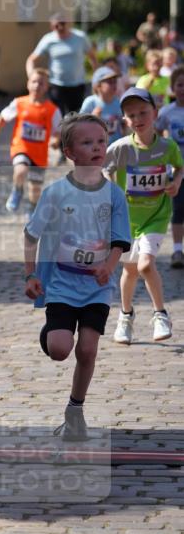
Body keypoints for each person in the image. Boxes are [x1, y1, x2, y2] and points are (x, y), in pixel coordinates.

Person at [24, 114, 131, 441]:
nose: (97, 147)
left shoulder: (114, 195)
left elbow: (120, 241)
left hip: (96, 287)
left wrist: (109, 266)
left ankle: (75, 411)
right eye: (87, 143)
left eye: (101, 141)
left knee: (87, 351)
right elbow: (31, 236)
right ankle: (52, 331)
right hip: (61, 283)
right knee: (59, 349)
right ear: (70, 152)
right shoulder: (56, 193)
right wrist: (30, 275)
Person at [105, 87, 183, 344]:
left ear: (155, 113)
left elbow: (179, 167)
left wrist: (176, 182)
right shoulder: (120, 148)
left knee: (145, 264)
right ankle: (125, 316)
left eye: (143, 113)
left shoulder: (167, 146)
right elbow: (104, 170)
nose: (138, 119)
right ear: (124, 120)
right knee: (129, 270)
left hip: (156, 216)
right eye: (131, 115)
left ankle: (160, 314)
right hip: (126, 220)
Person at [0, 68, 61, 219]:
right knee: (20, 170)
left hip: (39, 155)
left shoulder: (52, 110)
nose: (37, 85)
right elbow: (2, 117)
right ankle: (17, 190)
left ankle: (32, 207)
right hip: (21, 148)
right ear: (28, 84)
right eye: (34, 82)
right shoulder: (20, 103)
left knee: (35, 189)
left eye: (41, 83)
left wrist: (55, 140)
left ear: (47, 87)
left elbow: (58, 130)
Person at [26, 14, 96, 116]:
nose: (59, 27)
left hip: (77, 85)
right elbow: (31, 60)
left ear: (68, 23)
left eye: (62, 23)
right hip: (56, 85)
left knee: (76, 116)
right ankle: (60, 132)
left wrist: (96, 78)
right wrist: (32, 76)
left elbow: (92, 57)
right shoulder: (48, 40)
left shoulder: (80, 37)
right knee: (57, 116)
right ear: (51, 26)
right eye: (56, 25)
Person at [156, 66, 184, 267]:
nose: (183, 88)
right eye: (180, 85)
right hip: (176, 170)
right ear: (173, 88)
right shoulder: (167, 112)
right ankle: (177, 251)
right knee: (178, 209)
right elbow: (155, 136)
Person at [79, 66, 125, 141]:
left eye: (115, 81)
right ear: (98, 86)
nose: (114, 84)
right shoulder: (90, 102)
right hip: (96, 146)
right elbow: (79, 125)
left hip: (115, 146)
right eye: (110, 82)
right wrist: (92, 118)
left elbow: (123, 124)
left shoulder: (119, 102)